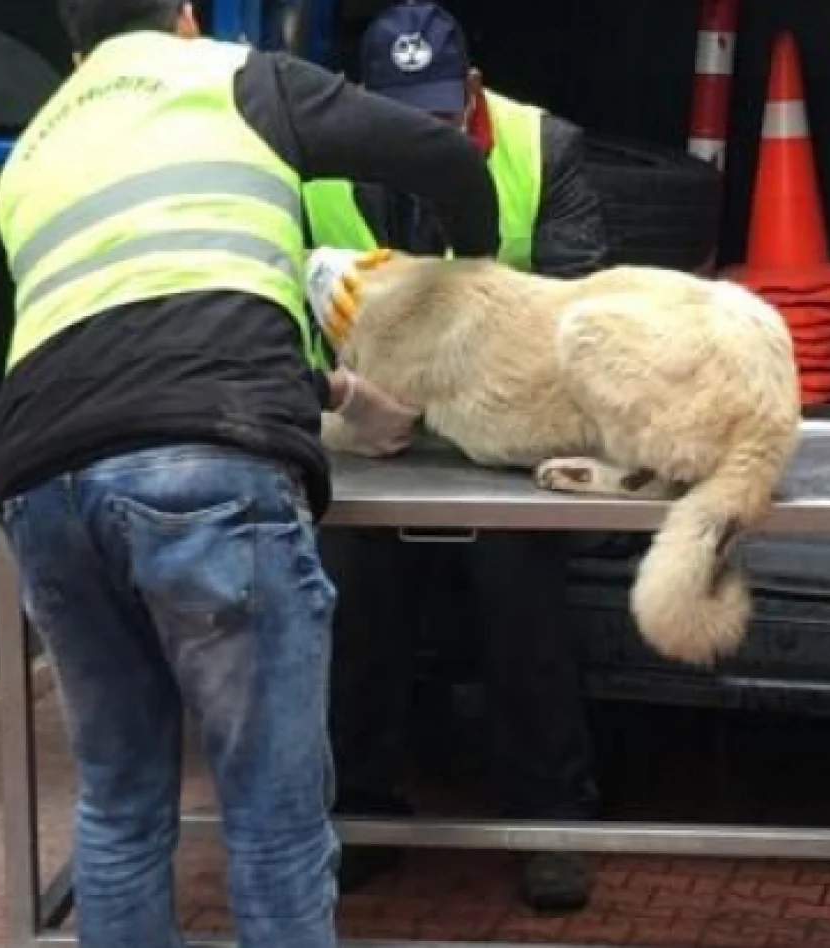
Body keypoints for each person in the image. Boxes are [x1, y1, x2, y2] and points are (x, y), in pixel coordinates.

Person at [0, 1, 500, 945]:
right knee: (273, 823)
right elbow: (449, 162)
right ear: (185, 16)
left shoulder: (35, 145)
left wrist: (340, 392)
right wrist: (477, 275)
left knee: (118, 805)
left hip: (41, 486)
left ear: (77, 47)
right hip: (209, 477)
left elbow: (131, 332)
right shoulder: (236, 77)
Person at [304, 0, 611, 913]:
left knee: (521, 593)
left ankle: (553, 824)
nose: (420, 137)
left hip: (504, 438)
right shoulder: (316, 165)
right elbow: (282, 305)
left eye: (438, 119)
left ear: (471, 92)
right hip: (366, 435)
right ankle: (358, 815)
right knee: (347, 588)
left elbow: (576, 310)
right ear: (363, 102)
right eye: (399, 119)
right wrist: (346, 401)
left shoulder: (542, 147)